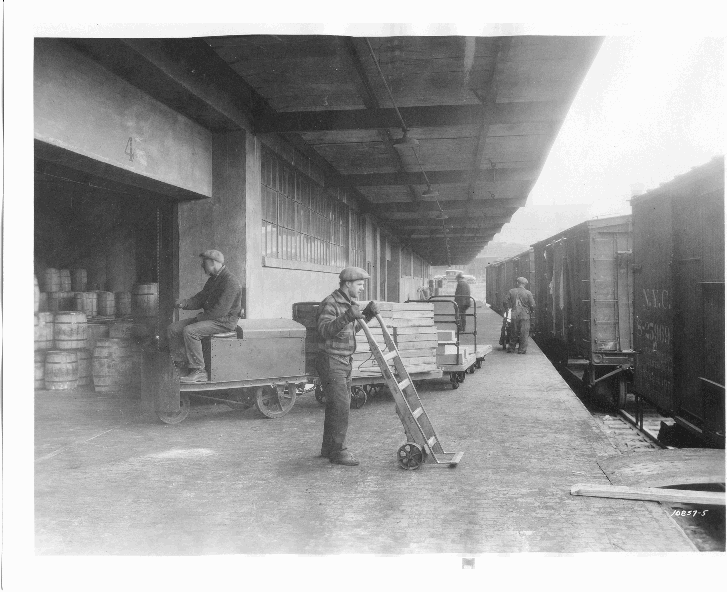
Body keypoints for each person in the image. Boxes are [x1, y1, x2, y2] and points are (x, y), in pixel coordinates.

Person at [316, 267, 379, 466]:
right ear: (348, 284)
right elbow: (324, 330)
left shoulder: (350, 304)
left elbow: (351, 330)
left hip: (344, 361)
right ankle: (339, 452)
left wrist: (366, 315)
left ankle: (328, 449)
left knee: (336, 407)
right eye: (359, 285)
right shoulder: (331, 303)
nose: (361, 288)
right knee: (341, 407)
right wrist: (347, 316)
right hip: (331, 360)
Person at [167, 249, 242, 383]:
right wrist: (184, 304)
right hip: (212, 319)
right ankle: (182, 366)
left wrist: (198, 319)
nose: (202, 266)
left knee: (190, 331)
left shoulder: (230, 282)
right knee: (173, 328)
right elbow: (200, 298)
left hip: (224, 322)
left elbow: (220, 311)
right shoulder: (213, 280)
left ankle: (199, 371)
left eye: (204, 262)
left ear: (213, 262)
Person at [507, 277, 536, 354]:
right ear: (525, 284)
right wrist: (531, 311)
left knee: (513, 331)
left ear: (517, 283)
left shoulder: (511, 291)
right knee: (524, 333)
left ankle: (511, 348)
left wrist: (509, 308)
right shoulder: (528, 293)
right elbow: (533, 305)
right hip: (525, 315)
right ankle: (522, 350)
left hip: (514, 314)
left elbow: (505, 302)